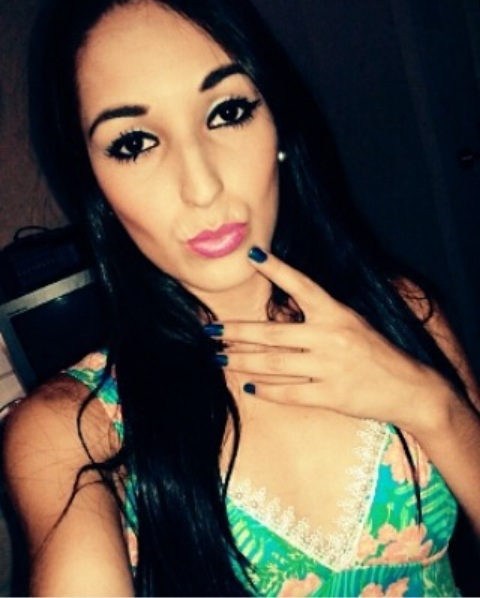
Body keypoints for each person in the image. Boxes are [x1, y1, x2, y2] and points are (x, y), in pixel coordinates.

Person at [3, 0, 480, 595]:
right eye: (134, 143)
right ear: (95, 183)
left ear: (277, 122)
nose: (202, 187)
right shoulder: (73, 432)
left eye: (227, 112)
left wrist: (432, 406)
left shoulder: (403, 310)